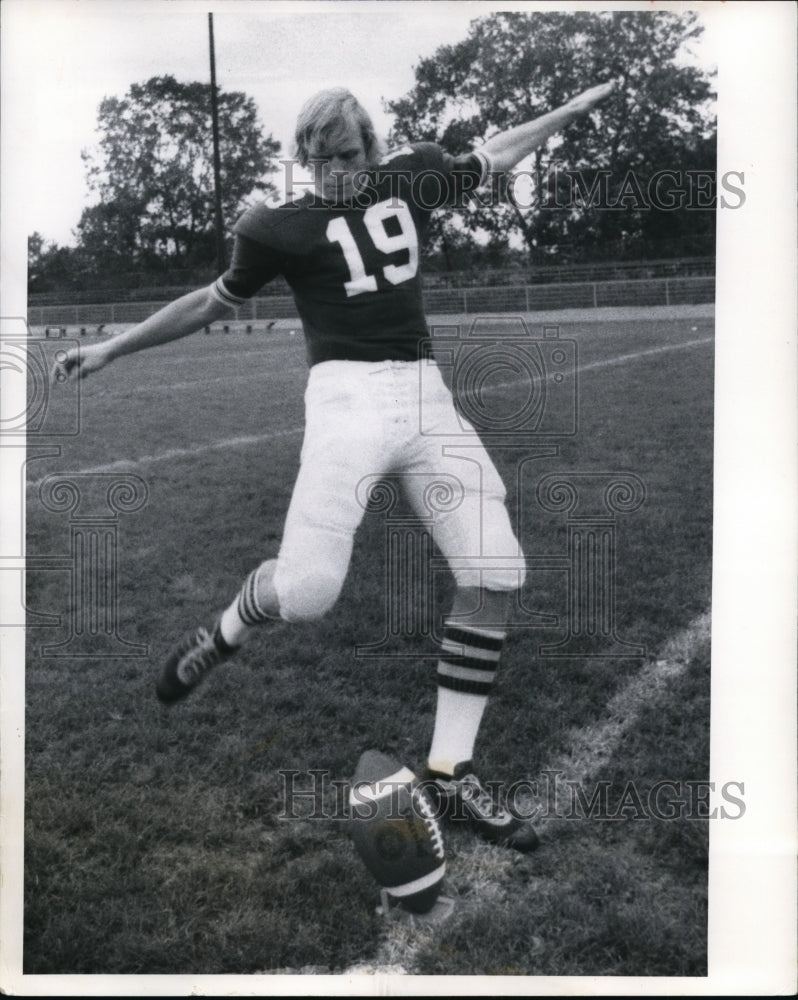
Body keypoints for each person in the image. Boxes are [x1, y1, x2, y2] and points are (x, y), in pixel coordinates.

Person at [57, 80, 617, 853]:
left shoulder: (414, 175)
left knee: (497, 571)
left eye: (347, 157)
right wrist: (114, 347)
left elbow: (495, 151)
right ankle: (228, 627)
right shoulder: (275, 226)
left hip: (424, 396)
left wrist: (568, 112)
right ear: (302, 158)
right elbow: (209, 303)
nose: (334, 175)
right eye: (318, 161)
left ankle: (451, 772)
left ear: (373, 148)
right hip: (345, 399)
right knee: (309, 592)